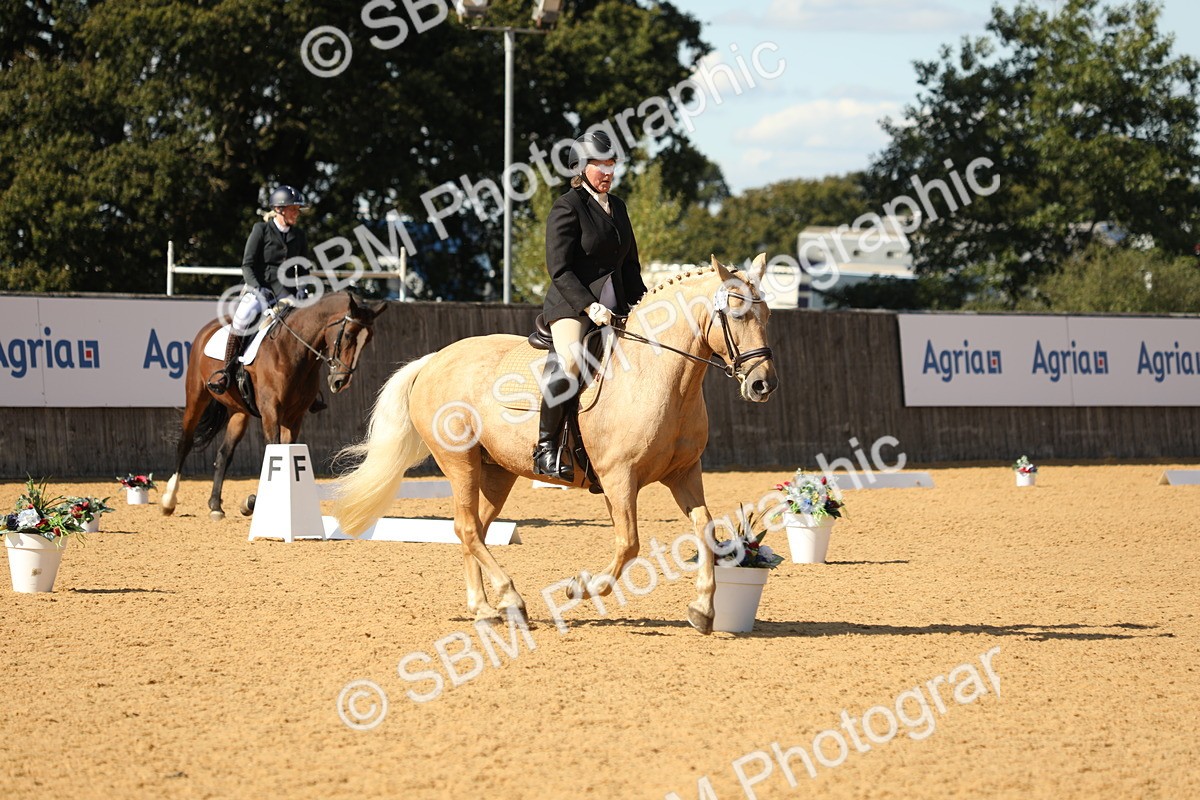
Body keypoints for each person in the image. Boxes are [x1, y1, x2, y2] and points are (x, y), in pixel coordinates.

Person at [534, 131, 648, 481]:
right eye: (600, 165)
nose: (608, 172)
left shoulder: (619, 207)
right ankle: (545, 447)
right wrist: (589, 306)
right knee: (570, 362)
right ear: (581, 168)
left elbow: (630, 266)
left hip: (617, 305)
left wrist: (645, 304)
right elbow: (559, 269)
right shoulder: (567, 206)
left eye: (612, 164)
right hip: (572, 307)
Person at [208, 185, 310, 396]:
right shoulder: (261, 230)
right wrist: (257, 288)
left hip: (288, 293)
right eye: (294, 209)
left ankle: (309, 384)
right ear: (280, 210)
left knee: (311, 325)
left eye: (298, 209)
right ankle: (226, 371)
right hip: (261, 290)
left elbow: (304, 267)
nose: (297, 213)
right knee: (242, 317)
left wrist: (303, 288)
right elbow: (247, 265)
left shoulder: (299, 235)